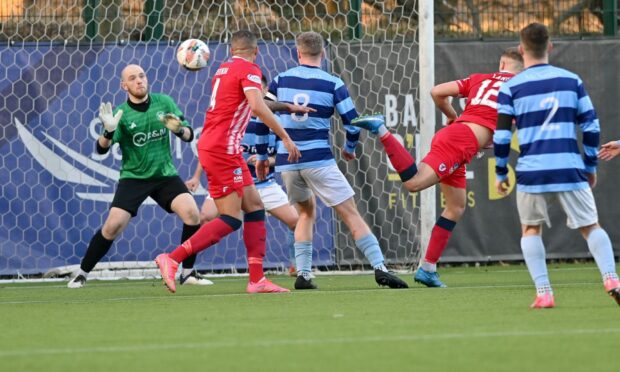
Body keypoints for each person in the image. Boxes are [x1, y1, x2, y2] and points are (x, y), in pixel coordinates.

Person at [351, 48, 523, 288]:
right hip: (460, 141)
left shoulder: (481, 79)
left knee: (456, 206)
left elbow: (437, 92)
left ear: (502, 63)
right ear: (523, 68)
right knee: (414, 183)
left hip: (457, 135)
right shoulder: (522, 86)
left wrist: (453, 115)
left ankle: (428, 269)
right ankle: (381, 129)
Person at [155, 30, 306, 294]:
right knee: (231, 218)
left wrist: (287, 107)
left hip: (221, 147)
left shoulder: (224, 69)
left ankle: (256, 279)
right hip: (223, 149)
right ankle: (173, 258)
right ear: (255, 51)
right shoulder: (249, 69)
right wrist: (286, 137)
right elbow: (257, 106)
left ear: (230, 49)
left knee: (255, 206)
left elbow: (254, 103)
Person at [257, 31, 409, 290]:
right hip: (318, 159)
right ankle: (380, 268)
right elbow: (352, 122)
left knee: (305, 214)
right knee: (350, 213)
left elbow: (262, 111)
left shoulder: (281, 80)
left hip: (288, 163)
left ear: (298, 52)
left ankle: (303, 274)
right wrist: (350, 148)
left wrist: (262, 157)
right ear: (323, 53)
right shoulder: (333, 82)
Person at [493, 23, 619, 308]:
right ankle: (612, 278)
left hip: (531, 171)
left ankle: (544, 292)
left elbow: (501, 135)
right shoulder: (571, 80)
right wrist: (589, 166)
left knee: (530, 229)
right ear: (550, 46)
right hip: (568, 166)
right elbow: (591, 126)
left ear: (522, 50)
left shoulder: (511, 87)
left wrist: (501, 171)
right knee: (591, 226)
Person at [68, 64, 212, 288]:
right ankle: (82, 273)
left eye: (142, 76)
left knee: (192, 213)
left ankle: (188, 272)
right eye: (132, 78)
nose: (139, 81)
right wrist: (108, 130)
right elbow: (101, 149)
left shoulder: (164, 102)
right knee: (112, 226)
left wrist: (178, 129)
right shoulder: (121, 114)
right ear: (123, 85)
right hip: (134, 178)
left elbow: (189, 134)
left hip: (164, 175)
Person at [184, 75, 299, 275]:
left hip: (263, 184)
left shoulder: (275, 121)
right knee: (204, 217)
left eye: (261, 91)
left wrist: (266, 160)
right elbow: (212, 150)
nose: (257, 94)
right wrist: (195, 177)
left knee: (297, 221)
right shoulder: (234, 119)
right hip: (231, 180)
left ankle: (296, 265)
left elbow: (284, 154)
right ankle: (187, 269)